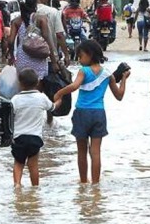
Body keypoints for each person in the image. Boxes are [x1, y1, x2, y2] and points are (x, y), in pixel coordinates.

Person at [53, 40, 130, 184]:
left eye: (81, 56)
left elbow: (75, 86)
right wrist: (124, 79)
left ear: (90, 55)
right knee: (96, 152)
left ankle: (83, 182)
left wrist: (59, 93)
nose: (80, 60)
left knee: (82, 151)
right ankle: (95, 184)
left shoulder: (84, 71)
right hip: (99, 114)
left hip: (82, 113)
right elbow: (119, 96)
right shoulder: (107, 74)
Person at [10, 68, 61, 188]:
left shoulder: (15, 100)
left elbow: (10, 117)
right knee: (33, 165)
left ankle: (17, 185)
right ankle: (35, 188)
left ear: (19, 83)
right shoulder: (41, 98)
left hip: (18, 137)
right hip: (35, 138)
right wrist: (59, 100)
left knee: (18, 163)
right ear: (37, 82)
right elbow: (52, 108)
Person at [8, 0, 59, 84]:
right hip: (38, 55)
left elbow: (10, 41)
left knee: (23, 85)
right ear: (34, 6)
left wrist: (12, 56)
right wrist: (54, 61)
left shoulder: (16, 21)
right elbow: (47, 40)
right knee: (38, 84)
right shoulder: (41, 18)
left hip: (22, 56)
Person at [33, 0, 70, 68]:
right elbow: (59, 35)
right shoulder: (53, 12)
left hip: (29, 57)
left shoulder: (27, 12)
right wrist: (66, 55)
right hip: (49, 57)